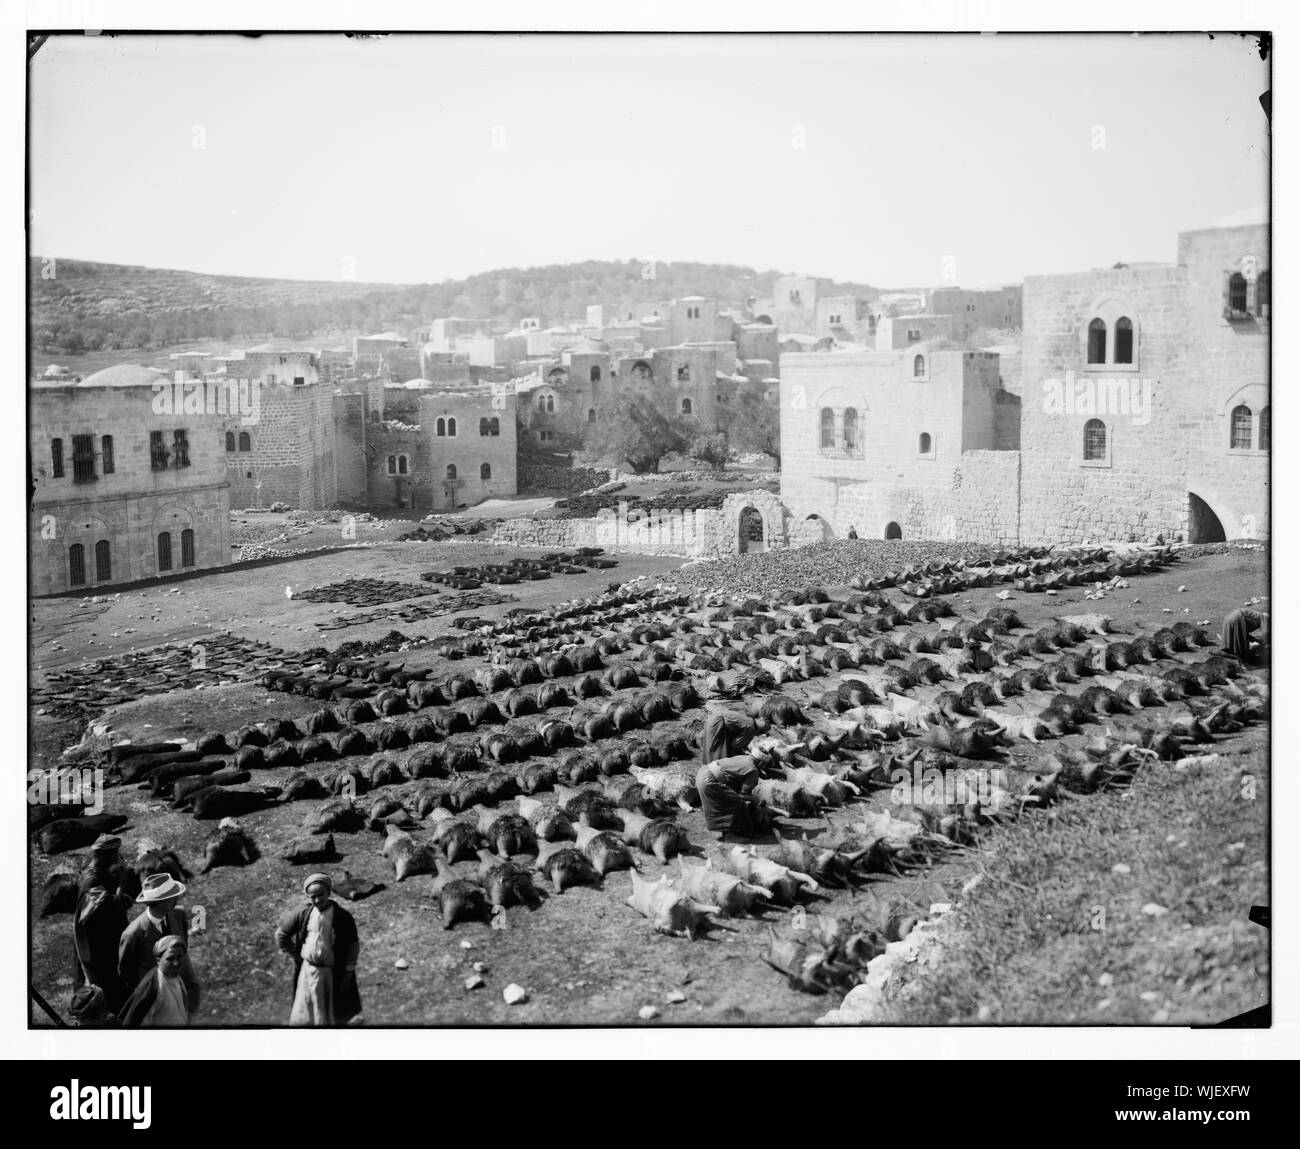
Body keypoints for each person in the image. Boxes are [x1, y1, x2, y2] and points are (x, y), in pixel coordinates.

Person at [275, 874, 362, 1027]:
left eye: (321, 895)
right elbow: (281, 935)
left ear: (328, 892)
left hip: (331, 974)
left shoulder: (343, 917)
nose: (317, 900)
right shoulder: (303, 913)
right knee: (307, 1012)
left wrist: (348, 974)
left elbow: (352, 947)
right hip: (308, 972)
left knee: (332, 1013)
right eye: (312, 897)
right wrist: (296, 955)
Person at [117, 874, 200, 1009]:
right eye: (173, 897)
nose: (177, 899)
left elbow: (183, 947)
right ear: (162, 902)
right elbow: (127, 974)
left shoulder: (178, 915)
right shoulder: (132, 934)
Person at [71, 835, 130, 1013]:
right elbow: (104, 906)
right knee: (103, 976)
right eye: (115, 853)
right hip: (97, 940)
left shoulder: (102, 870)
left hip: (108, 933)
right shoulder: (90, 879)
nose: (117, 857)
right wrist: (121, 891)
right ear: (105, 854)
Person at [696, 746, 776, 838]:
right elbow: (743, 795)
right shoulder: (753, 770)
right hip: (710, 782)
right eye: (766, 765)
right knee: (738, 804)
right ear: (761, 763)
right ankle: (731, 835)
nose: (765, 768)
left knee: (729, 799)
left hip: (703, 773)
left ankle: (726, 830)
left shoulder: (744, 757)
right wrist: (756, 800)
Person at [119, 936, 197, 1027]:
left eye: (179, 957)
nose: (176, 963)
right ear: (158, 960)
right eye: (170, 959)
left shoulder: (176, 977)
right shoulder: (153, 988)